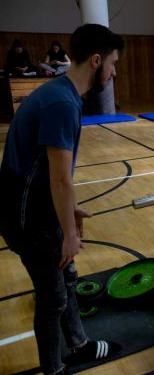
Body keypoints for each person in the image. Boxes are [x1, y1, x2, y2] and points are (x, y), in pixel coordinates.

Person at [0, 24, 124, 375]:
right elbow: (58, 177)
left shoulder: (62, 94)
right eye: (113, 64)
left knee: (67, 278)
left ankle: (79, 345)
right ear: (97, 60)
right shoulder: (60, 103)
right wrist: (69, 233)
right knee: (52, 296)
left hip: (38, 202)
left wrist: (69, 212)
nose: (114, 72)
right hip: (24, 212)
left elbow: (53, 176)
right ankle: (53, 369)